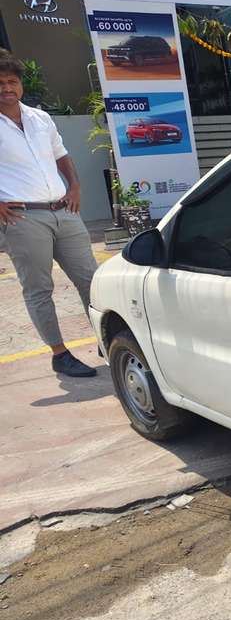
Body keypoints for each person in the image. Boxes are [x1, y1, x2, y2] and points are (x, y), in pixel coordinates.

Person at [0, 49, 97, 377]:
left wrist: (75, 187)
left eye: (12, 81)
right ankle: (60, 353)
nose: (6, 88)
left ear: (21, 85)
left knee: (91, 281)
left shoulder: (40, 118)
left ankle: (107, 337)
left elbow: (62, 155)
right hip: (23, 218)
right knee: (39, 289)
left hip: (64, 210)